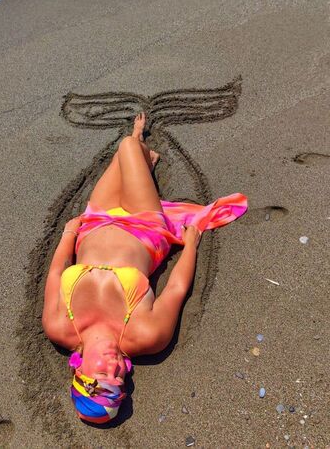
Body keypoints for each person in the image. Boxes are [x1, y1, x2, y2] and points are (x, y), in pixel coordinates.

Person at [42, 113, 247, 424]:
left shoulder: (58, 326)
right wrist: (190, 245)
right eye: (119, 380)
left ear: (78, 370)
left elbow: (56, 274)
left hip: (96, 220)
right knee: (127, 145)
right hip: (144, 224)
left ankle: (142, 160)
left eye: (102, 374)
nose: (114, 368)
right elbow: (176, 289)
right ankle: (140, 152)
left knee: (123, 158)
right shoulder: (146, 336)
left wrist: (69, 234)